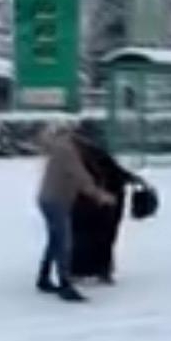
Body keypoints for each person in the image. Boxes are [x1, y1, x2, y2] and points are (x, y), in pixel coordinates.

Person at [37, 126, 112, 303]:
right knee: (64, 242)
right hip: (57, 201)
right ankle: (65, 285)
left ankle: (43, 278)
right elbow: (81, 176)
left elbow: (45, 140)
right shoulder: (68, 152)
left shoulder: (62, 144)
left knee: (55, 240)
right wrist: (100, 196)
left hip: (49, 198)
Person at [71, 122, 141, 284]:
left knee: (89, 236)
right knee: (98, 237)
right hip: (98, 200)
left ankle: (85, 269)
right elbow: (112, 171)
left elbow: (112, 170)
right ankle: (96, 269)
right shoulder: (88, 154)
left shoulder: (83, 152)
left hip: (92, 201)